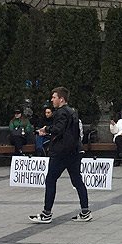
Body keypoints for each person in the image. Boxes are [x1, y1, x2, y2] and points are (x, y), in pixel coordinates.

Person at [29, 87, 91, 224]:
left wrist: (46, 130)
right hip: (74, 151)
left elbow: (59, 129)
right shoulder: (72, 112)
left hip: (61, 152)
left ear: (61, 99)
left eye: (54, 97)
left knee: (51, 179)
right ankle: (85, 211)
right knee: (77, 180)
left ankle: (46, 213)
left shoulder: (61, 113)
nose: (52, 100)